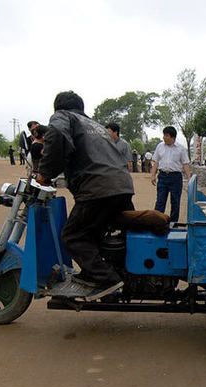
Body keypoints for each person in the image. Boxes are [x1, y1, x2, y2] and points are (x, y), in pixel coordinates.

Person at [36, 91, 134, 299]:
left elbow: (57, 137)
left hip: (98, 190)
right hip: (122, 186)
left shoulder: (64, 117)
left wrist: (44, 174)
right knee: (98, 233)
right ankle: (99, 272)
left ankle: (105, 278)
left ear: (59, 108)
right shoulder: (96, 126)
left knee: (73, 235)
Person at [150, 126, 191, 223]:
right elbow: (156, 162)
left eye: (166, 135)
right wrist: (153, 175)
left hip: (175, 178)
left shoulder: (181, 149)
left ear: (173, 137)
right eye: (164, 135)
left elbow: (185, 164)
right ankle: (157, 221)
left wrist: (189, 178)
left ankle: (173, 223)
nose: (164, 137)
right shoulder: (160, 146)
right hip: (163, 176)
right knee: (160, 201)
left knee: (175, 201)